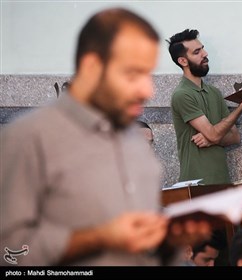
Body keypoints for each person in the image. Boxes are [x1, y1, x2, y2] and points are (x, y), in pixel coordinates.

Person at [0, 8, 210, 266]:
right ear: (92, 66)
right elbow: (9, 255)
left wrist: (170, 242)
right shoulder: (28, 140)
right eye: (133, 74)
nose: (147, 89)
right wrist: (97, 238)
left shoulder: (136, 143)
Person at [167, 29, 242, 185]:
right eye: (197, 52)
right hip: (195, 185)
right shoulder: (182, 95)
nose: (205, 54)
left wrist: (211, 139)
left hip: (221, 182)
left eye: (203, 48)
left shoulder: (214, 92)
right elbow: (214, 134)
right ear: (183, 61)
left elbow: (234, 137)